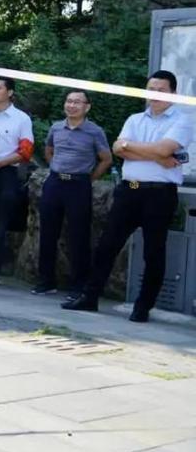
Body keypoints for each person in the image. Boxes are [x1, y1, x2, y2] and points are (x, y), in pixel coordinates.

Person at [64, 71, 193, 323]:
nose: (154, 94)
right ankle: (90, 297)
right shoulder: (135, 119)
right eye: (150, 89)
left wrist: (133, 147)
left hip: (159, 193)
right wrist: (156, 156)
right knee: (107, 245)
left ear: (173, 93)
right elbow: (117, 148)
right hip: (129, 189)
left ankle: (143, 307)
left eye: (161, 90)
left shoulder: (182, 120)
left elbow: (163, 149)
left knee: (153, 252)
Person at [33, 91, 112, 297]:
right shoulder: (56, 127)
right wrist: (56, 167)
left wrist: (89, 179)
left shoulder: (94, 131)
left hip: (79, 185)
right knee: (47, 232)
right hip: (54, 182)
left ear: (87, 107)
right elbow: (49, 150)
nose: (72, 105)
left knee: (79, 236)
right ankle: (45, 281)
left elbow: (106, 159)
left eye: (77, 102)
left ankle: (78, 285)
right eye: (69, 101)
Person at [0, 77, 34, 286]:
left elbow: (26, 152)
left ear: (10, 92)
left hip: (6, 173)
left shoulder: (21, 119)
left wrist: (0, 163)